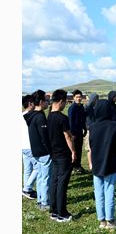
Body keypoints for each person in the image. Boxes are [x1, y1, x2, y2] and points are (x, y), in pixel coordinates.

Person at [88, 91, 116, 229]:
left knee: (98, 192)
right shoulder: (114, 126)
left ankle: (101, 221)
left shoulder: (92, 126)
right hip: (110, 161)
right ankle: (110, 220)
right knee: (109, 190)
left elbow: (91, 146)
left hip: (97, 162)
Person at [46, 89, 74, 222]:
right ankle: (62, 213)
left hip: (54, 154)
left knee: (54, 182)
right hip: (63, 154)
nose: (65, 105)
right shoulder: (62, 118)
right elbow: (67, 136)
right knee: (62, 183)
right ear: (61, 101)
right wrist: (73, 151)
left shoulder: (49, 116)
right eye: (65, 102)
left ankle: (54, 210)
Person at [25, 92, 50, 207]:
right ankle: (44, 202)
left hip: (35, 151)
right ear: (40, 102)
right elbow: (44, 137)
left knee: (40, 176)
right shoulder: (40, 117)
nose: (48, 102)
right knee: (45, 177)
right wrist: (49, 150)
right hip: (43, 152)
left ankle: (40, 199)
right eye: (46, 100)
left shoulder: (31, 115)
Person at [67, 91, 87, 174]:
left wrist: (84, 129)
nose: (78, 98)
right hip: (74, 133)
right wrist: (72, 134)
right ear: (73, 98)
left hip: (80, 132)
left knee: (79, 150)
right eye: (77, 97)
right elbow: (71, 122)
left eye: (80, 97)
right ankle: (71, 167)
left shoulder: (81, 107)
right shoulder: (72, 108)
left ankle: (77, 166)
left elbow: (83, 120)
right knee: (73, 151)